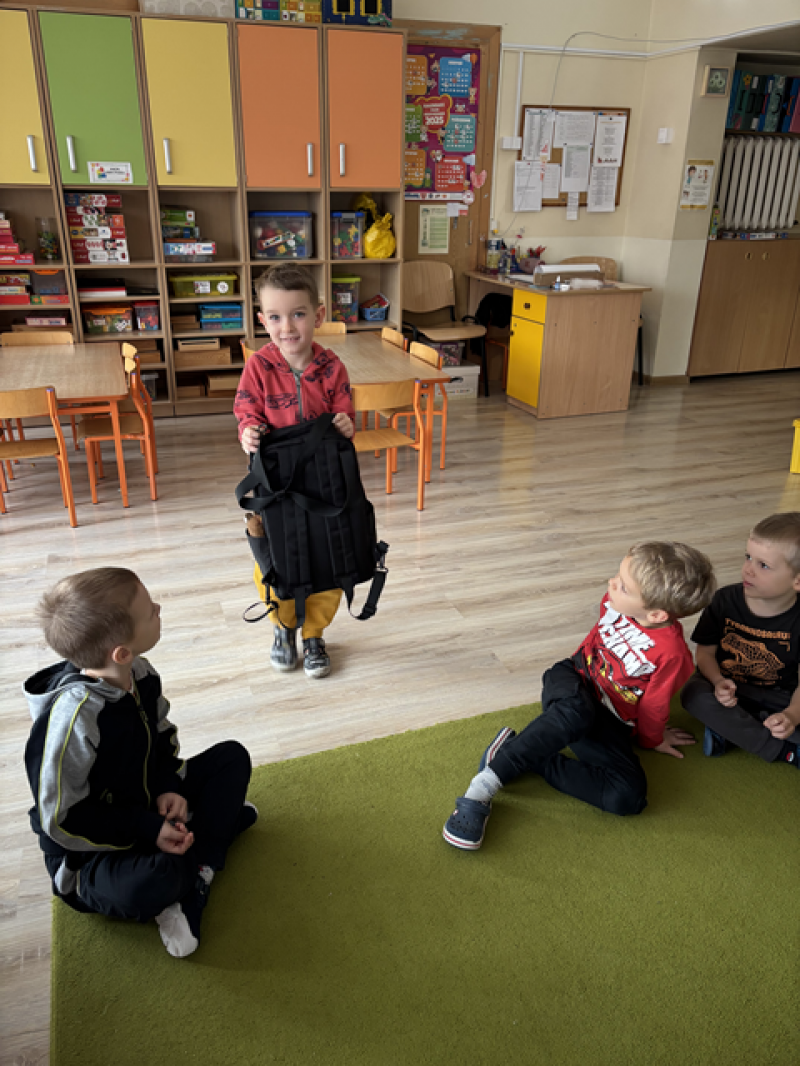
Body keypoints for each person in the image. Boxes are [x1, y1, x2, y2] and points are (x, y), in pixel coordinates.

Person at [23, 568, 255, 959]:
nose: (158, 608)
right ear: (120, 653)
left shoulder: (140, 673)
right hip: (93, 850)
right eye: (150, 611)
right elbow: (63, 821)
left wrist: (167, 786)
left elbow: (163, 738)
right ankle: (202, 858)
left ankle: (199, 860)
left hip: (146, 802)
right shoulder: (73, 722)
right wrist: (148, 827)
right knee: (155, 877)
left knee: (232, 758)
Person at [443, 542, 716, 850]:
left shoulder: (673, 656)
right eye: (618, 576)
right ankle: (482, 788)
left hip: (607, 719)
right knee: (576, 712)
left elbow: (654, 705)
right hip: (571, 679)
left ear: (655, 614)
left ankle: (523, 754)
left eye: (623, 586)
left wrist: (652, 739)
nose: (611, 583)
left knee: (628, 797)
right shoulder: (613, 602)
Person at [234, 263, 355, 680]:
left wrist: (346, 423)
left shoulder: (333, 367)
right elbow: (246, 409)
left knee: (327, 556)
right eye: (275, 317)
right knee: (274, 558)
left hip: (324, 482)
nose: (287, 327)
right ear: (262, 320)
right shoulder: (257, 366)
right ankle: (283, 627)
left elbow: (344, 411)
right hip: (275, 485)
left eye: (298, 314)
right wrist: (248, 430)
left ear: (318, 315)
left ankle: (314, 633)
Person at [681, 512, 800, 766]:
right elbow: (705, 652)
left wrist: (792, 715)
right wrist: (717, 681)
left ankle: (731, 732)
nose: (748, 569)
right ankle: (784, 751)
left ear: (797, 580)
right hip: (726, 686)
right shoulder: (724, 600)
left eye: (763, 565)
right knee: (693, 694)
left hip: (779, 694)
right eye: (748, 557)